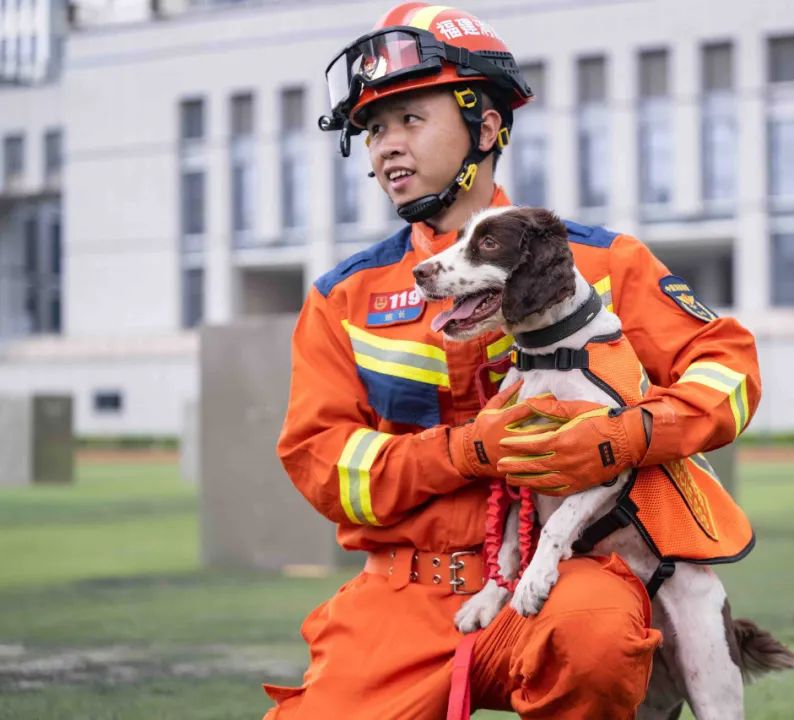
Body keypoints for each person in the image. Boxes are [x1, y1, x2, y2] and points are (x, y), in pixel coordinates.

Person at [264, 3, 762, 718]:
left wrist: (630, 436)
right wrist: (465, 451)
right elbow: (324, 466)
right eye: (373, 130)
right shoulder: (341, 298)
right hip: (406, 596)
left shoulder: (600, 259)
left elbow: (730, 370)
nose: (386, 147)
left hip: (574, 577)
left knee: (596, 637)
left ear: (487, 127)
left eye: (410, 118)